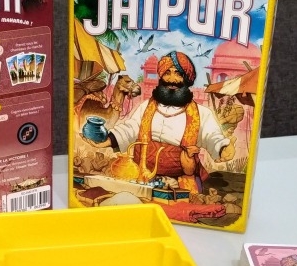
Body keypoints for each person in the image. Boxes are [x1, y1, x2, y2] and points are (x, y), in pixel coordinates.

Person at [95, 51, 234, 195]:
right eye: (167, 73)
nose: (172, 79)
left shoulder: (201, 113)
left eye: (178, 74)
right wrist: (108, 140)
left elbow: (212, 136)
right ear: (161, 76)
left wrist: (223, 148)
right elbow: (130, 128)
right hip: (141, 175)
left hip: (180, 180)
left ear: (186, 79)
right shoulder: (146, 107)